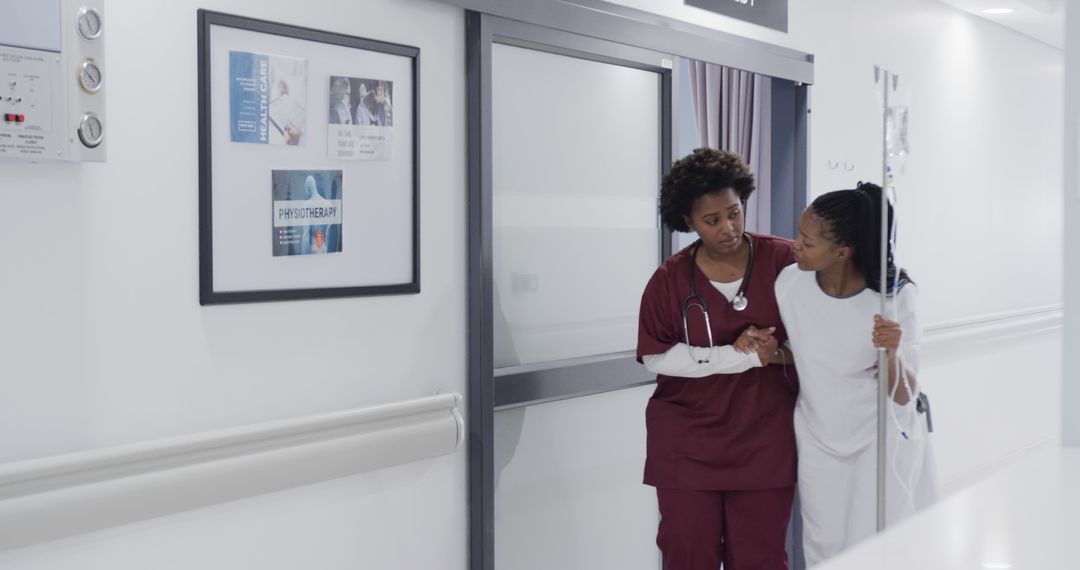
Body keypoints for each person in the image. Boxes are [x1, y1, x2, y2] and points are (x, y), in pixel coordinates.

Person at [636, 148, 798, 570]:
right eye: (712, 220)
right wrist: (741, 357)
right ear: (688, 222)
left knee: (760, 558)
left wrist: (775, 353)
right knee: (687, 553)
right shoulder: (669, 279)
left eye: (735, 212)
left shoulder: (785, 260)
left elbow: (821, 337)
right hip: (687, 443)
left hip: (764, 438)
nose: (728, 227)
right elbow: (656, 356)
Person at [767, 182, 936, 566]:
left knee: (876, 542)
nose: (795, 245)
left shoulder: (894, 298)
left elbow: (904, 393)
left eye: (807, 242)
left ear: (842, 251)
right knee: (823, 542)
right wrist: (772, 352)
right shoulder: (790, 284)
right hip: (819, 434)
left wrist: (892, 351)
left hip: (880, 436)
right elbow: (812, 353)